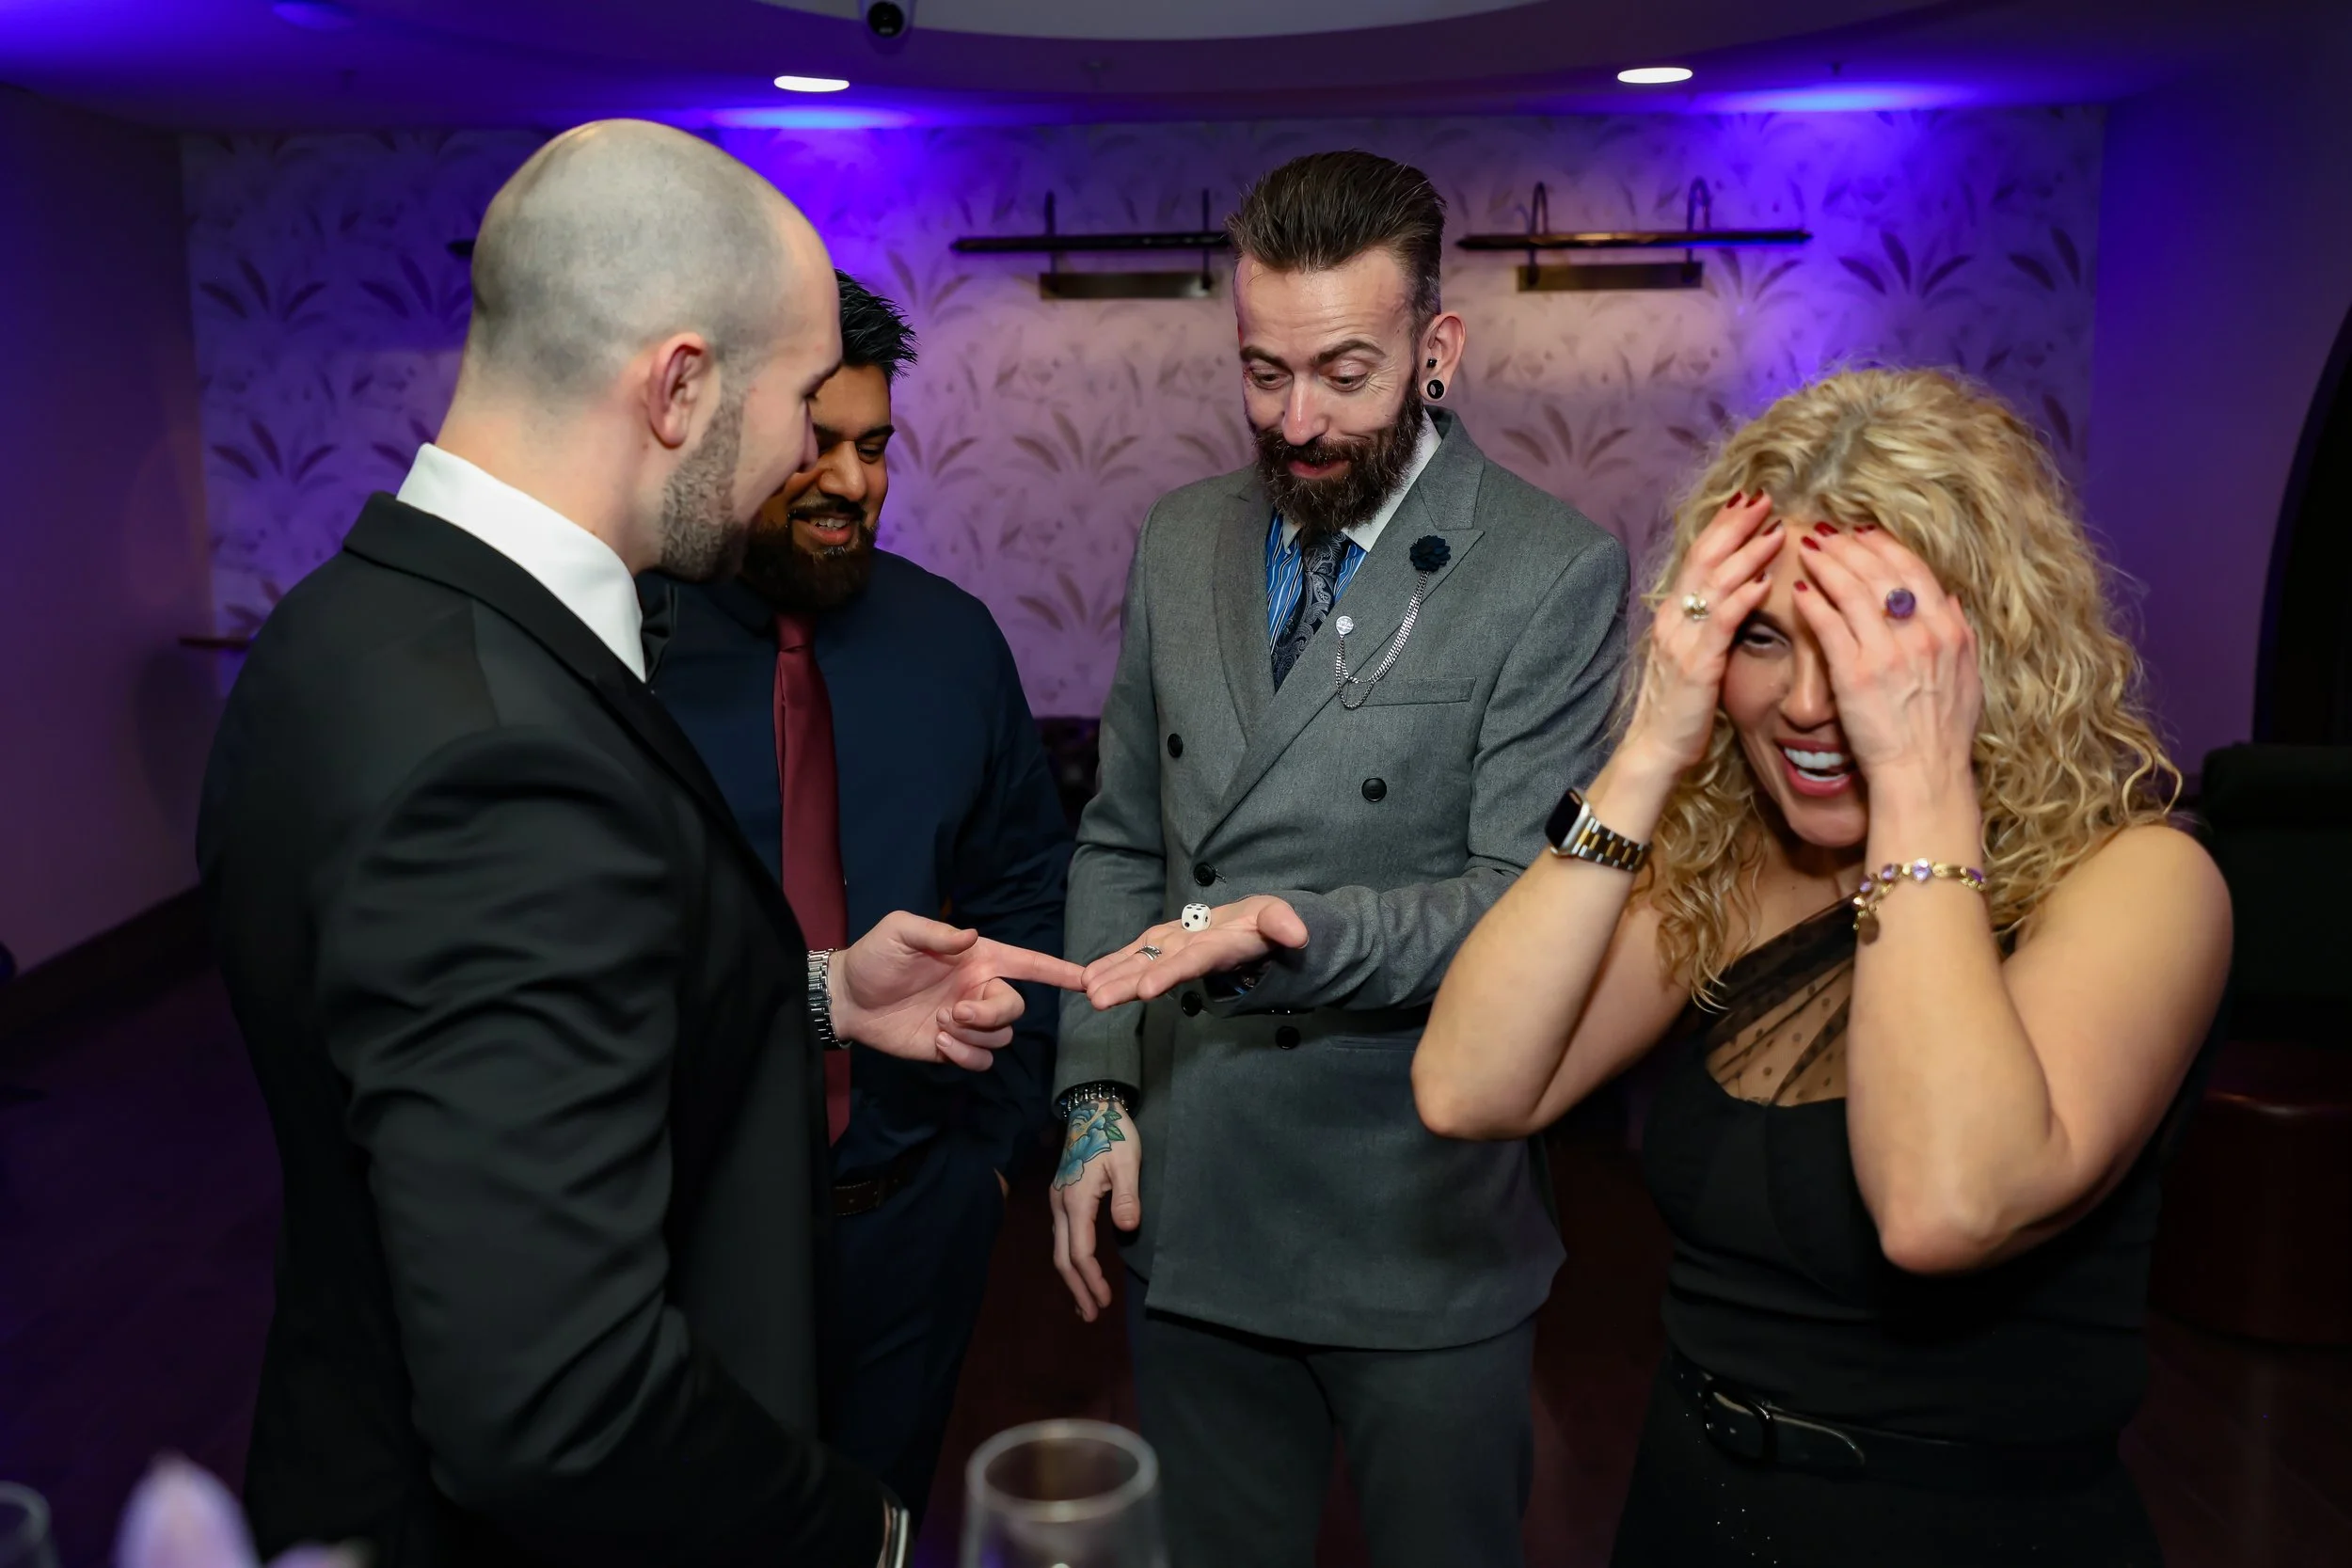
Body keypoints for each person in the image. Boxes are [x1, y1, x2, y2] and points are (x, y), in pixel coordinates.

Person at [197, 121, 1080, 1568]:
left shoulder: (341, 628)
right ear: (679, 387)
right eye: (803, 403)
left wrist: (821, 996)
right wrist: (866, 1529)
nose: (819, 456)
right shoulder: (504, 757)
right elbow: (557, 1399)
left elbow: (490, 1041)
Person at [1413, 367, 2230, 1565]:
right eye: (1757, 638)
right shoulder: (1736, 866)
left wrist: (1918, 783)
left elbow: (1942, 1207)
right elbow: (1469, 1085)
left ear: (1983, 642)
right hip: (1689, 1504)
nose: (1803, 702)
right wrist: (1650, 746)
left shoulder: (2142, 883)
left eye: (1866, 642)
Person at [1052, 150, 1629, 1568]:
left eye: (1344, 373)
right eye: (1262, 372)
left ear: (1439, 351)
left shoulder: (1553, 568)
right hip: (1199, 1196)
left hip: (1418, 1216)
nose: (1296, 421)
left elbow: (1518, 899)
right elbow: (1124, 831)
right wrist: (1095, 1091)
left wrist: (1286, 921)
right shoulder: (1181, 537)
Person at [641, 272, 1071, 1524]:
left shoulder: (955, 645)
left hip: (906, 1227)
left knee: (879, 1525)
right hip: (683, 1238)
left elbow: (1025, 880)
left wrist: (991, 1156)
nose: (850, 481)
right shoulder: (619, 651)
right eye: (815, 444)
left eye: (874, 446)